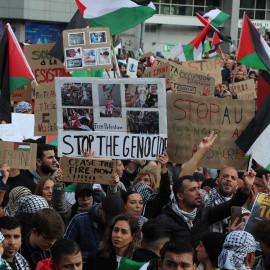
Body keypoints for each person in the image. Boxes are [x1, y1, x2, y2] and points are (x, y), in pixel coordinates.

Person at [156, 131, 255, 251]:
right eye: (193, 190)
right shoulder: (165, 219)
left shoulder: (203, 214)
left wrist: (246, 188)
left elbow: (232, 204)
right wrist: (201, 151)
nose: (199, 192)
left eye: (233, 178)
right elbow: (182, 180)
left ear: (237, 185)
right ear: (180, 195)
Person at [64, 195, 125, 265]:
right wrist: (95, 259)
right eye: (108, 219)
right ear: (101, 209)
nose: (110, 223)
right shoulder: (78, 221)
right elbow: (66, 250)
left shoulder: (119, 228)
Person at [131, 152, 171, 219]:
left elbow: (165, 192)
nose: (141, 183)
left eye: (146, 180)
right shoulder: (128, 195)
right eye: (139, 180)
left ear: (153, 185)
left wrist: (164, 168)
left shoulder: (154, 202)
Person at [207, 166, 240, 234]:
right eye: (225, 176)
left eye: (233, 178)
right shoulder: (205, 198)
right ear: (217, 180)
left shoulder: (240, 206)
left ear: (237, 186)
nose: (229, 179)